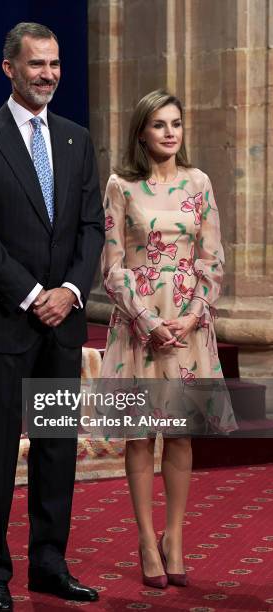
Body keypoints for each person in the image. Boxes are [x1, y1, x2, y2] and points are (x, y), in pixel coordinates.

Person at [0, 22, 104, 611]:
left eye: (56, 64)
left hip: (61, 324)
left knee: (56, 447)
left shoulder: (76, 140)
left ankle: (49, 564)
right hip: (6, 323)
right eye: (37, 64)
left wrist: (68, 290)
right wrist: (33, 292)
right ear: (9, 68)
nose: (49, 74)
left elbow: (91, 227)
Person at [100, 89, 237, 589]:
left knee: (179, 433)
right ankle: (145, 537)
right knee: (140, 435)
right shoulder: (121, 185)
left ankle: (174, 537)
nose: (170, 132)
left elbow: (213, 257)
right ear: (142, 132)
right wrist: (146, 319)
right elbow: (111, 265)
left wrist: (195, 314)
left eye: (175, 123)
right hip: (141, 327)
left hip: (188, 326)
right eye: (159, 124)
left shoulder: (198, 182)